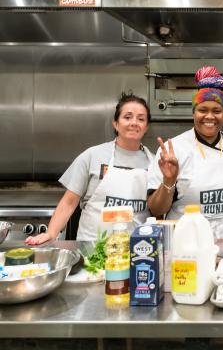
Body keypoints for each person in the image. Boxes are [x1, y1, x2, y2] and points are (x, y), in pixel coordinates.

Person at [25, 93, 153, 244]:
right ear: (116, 124)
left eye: (141, 119)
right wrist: (51, 233)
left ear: (146, 127)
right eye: (127, 117)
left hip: (138, 248)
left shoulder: (155, 162)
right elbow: (69, 202)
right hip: (91, 247)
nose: (134, 122)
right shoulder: (92, 155)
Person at [146, 66, 223, 239]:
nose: (210, 116)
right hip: (188, 238)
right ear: (193, 112)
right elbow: (156, 209)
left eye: (217, 111)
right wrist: (169, 180)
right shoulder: (174, 149)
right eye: (203, 110)